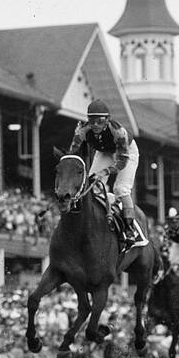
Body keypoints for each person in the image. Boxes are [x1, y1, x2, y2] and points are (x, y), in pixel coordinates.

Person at [68, 99, 147, 249]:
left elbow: (122, 162)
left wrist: (104, 172)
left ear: (107, 120)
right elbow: (73, 153)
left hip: (125, 154)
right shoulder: (82, 130)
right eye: (92, 121)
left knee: (121, 189)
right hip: (104, 152)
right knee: (92, 184)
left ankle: (130, 229)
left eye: (100, 121)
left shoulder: (119, 132)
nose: (96, 125)